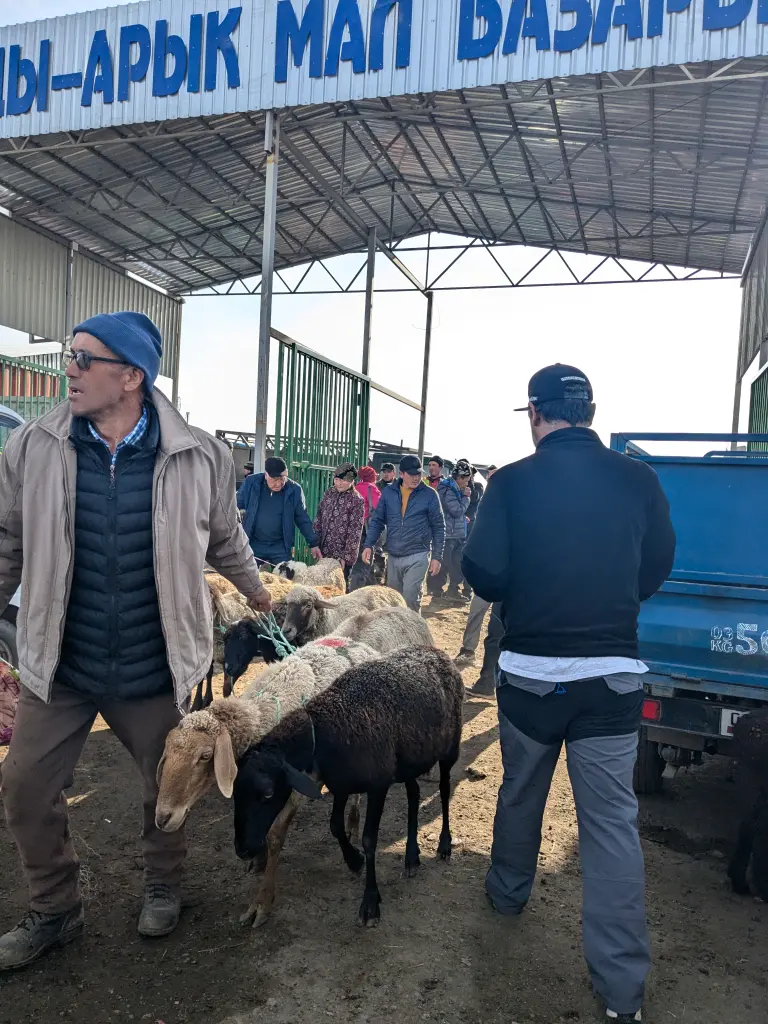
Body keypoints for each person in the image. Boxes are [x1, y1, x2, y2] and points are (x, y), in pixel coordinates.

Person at [0, 312, 272, 969]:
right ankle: (55, 908)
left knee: (166, 786)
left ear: (130, 376)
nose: (68, 368)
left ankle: (164, 885)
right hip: (59, 664)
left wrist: (259, 593)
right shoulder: (33, 447)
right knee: (25, 786)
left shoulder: (198, 454)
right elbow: (6, 541)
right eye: (70, 355)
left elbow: (225, 536)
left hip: (154, 664)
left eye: (83, 358)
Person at [462, 364, 675, 1024]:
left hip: (529, 678)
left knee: (522, 790)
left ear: (535, 414)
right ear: (589, 411)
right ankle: (621, 997)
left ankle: (507, 894)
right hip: (611, 679)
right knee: (611, 827)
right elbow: (657, 564)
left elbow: (485, 572)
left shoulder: (511, 482)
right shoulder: (637, 479)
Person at [362, 455, 445, 612]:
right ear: (401, 474)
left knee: (410, 599)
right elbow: (378, 520)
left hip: (418, 554)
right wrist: (369, 545)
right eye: (412, 474)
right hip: (393, 555)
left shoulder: (430, 495)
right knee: (395, 602)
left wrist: (437, 557)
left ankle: (414, 635)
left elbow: (439, 527)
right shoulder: (388, 493)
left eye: (418, 474)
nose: (416, 478)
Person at [237, 456, 322, 569]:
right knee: (246, 578)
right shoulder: (251, 483)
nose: (279, 483)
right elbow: (234, 507)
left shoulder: (294, 490)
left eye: (282, 479)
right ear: (266, 475)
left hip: (280, 546)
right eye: (275, 479)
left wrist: (313, 543)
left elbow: (302, 519)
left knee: (285, 581)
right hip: (253, 543)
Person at [313, 463, 366, 583]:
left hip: (341, 556)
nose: (339, 483)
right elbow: (319, 517)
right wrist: (315, 542)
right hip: (323, 551)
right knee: (320, 584)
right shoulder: (329, 493)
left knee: (338, 587)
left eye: (343, 480)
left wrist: (345, 557)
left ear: (352, 480)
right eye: (336, 479)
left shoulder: (356, 500)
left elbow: (355, 532)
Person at [432, 459, 472, 605]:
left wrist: (462, 516)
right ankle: (438, 594)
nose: (467, 483)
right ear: (459, 478)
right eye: (466, 480)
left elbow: (454, 511)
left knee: (456, 564)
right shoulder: (448, 489)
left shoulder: (452, 488)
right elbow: (456, 510)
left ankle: (452, 591)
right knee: (445, 564)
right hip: (448, 533)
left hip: (454, 532)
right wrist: (466, 498)